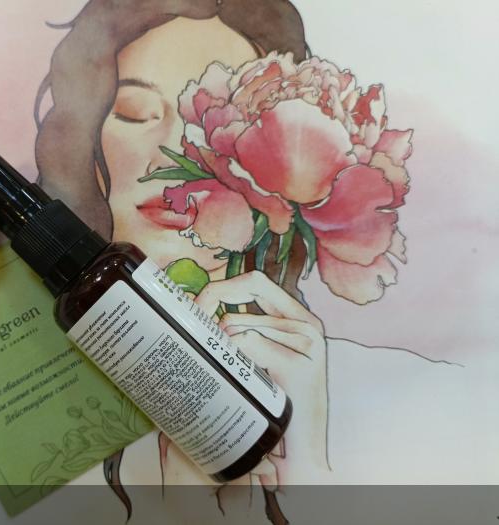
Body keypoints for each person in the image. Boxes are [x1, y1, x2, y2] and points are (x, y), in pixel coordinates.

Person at [33, 0, 487, 521]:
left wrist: (311, 481)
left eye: (216, 120)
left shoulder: (429, 404)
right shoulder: (28, 466)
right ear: (86, 145)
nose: (175, 152)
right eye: (136, 113)